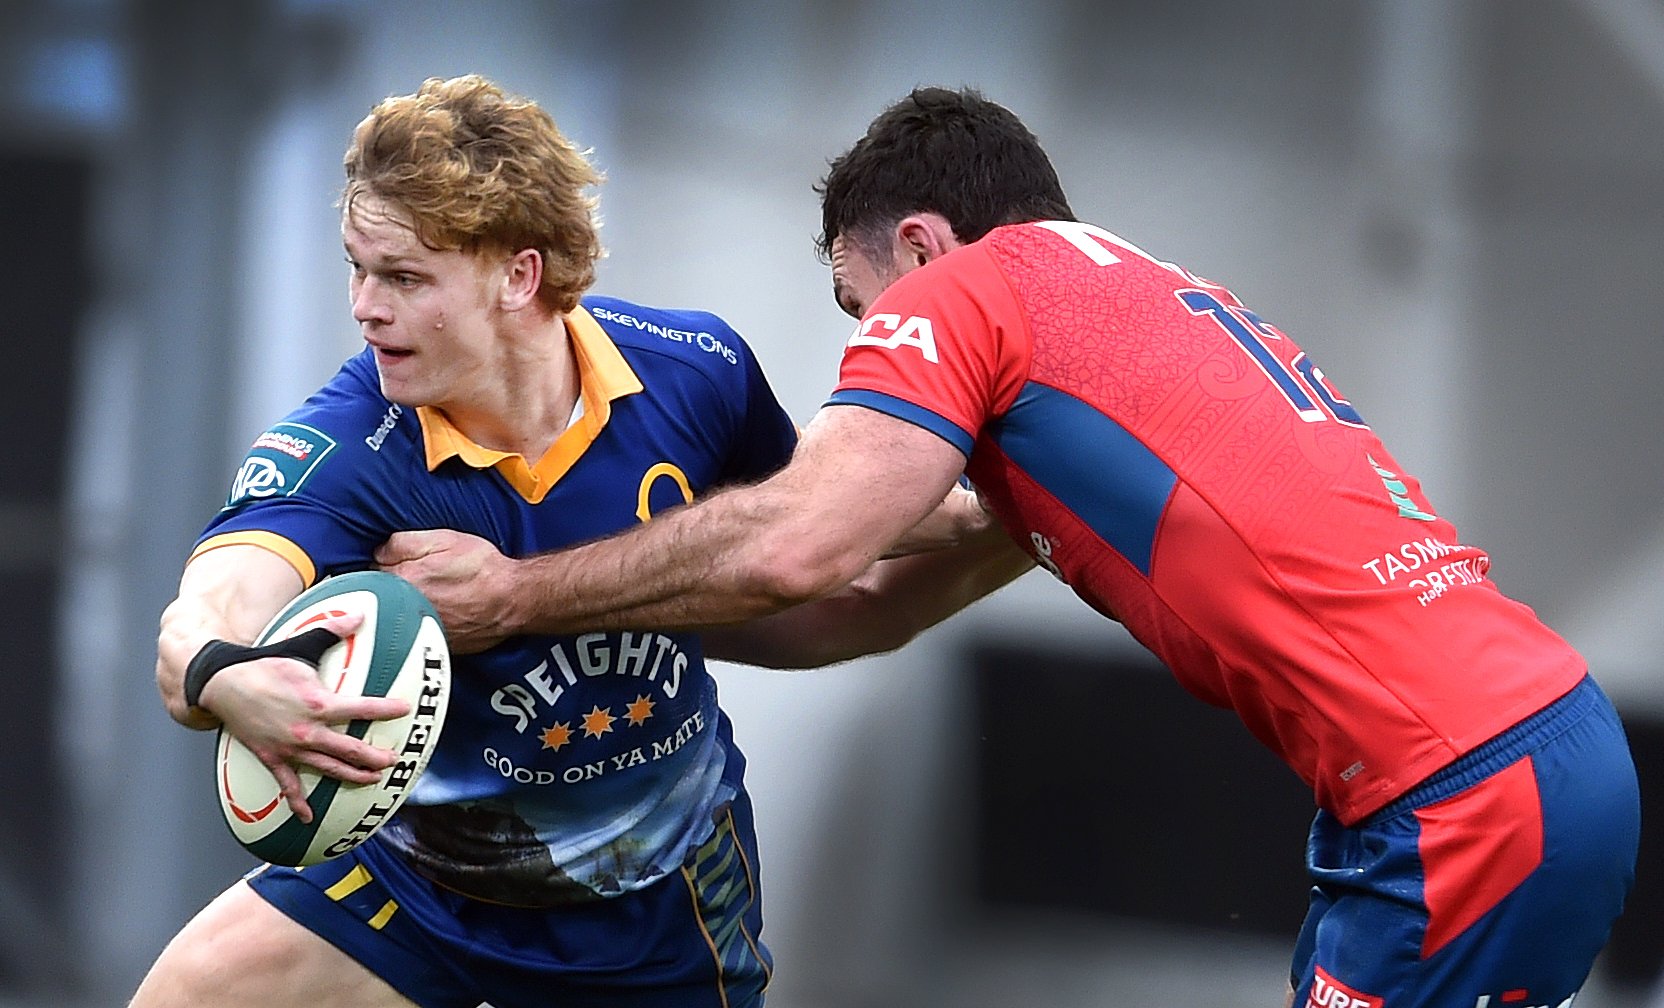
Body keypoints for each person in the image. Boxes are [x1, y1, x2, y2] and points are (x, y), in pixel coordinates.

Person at [377, 86, 1642, 1008]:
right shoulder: (1129, 306)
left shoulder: (966, 295)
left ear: (920, 247)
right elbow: (863, 597)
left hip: (1452, 799)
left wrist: (514, 592)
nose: (866, 344)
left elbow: (804, 548)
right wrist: (582, 610)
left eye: (857, 307)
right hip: (1541, 749)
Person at [136, 76, 1028, 1008]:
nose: (364, 306)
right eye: (357, 269)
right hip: (414, 884)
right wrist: (223, 673)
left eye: (402, 276)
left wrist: (1004, 514)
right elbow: (209, 609)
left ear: (519, 275)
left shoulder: (695, 372)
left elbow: (824, 520)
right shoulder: (349, 446)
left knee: (862, 613)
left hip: (652, 907)